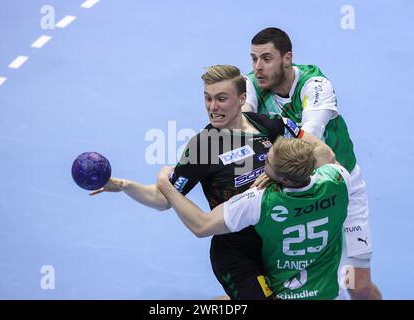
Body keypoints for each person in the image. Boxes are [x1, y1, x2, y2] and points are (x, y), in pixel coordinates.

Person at [90, 65, 334, 299]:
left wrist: (276, 173)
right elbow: (163, 199)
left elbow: (325, 155)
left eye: (221, 98)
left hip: (280, 245)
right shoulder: (202, 147)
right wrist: (124, 186)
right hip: (237, 253)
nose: (212, 107)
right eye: (207, 98)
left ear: (241, 99)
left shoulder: (271, 125)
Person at [243, 27, 381, 299]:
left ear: (287, 59)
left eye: (266, 59)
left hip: (342, 187)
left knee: (357, 283)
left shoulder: (315, 86)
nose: (258, 68)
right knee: (277, 288)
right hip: (296, 194)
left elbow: (309, 144)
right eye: (253, 59)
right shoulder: (252, 84)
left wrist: (270, 168)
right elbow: (241, 126)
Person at [156, 137, 349, 300]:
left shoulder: (261, 200)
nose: (263, 163)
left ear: (286, 180)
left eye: (267, 164)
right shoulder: (338, 180)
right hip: (331, 291)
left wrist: (167, 186)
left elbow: (201, 225)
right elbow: (326, 154)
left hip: (284, 293)